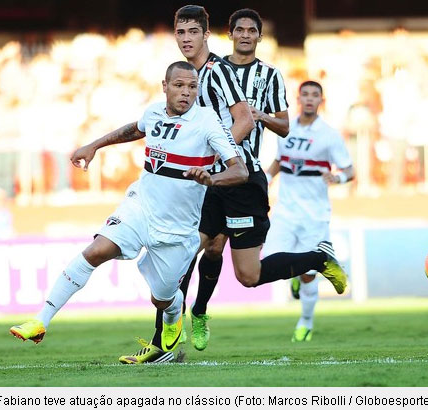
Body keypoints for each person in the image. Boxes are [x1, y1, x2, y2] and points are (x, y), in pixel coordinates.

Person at [133, 5, 347, 361]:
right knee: (186, 253)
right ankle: (167, 340)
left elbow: (252, 120)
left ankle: (316, 258)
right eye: (180, 33)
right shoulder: (191, 75)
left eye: (192, 32)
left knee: (248, 275)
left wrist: (219, 156)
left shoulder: (233, 73)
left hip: (241, 177)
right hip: (208, 181)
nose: (186, 39)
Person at [9, 61, 248, 365]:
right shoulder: (154, 112)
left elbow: (239, 170)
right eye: (179, 86)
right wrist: (93, 145)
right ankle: (41, 321)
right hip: (140, 206)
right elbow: (132, 130)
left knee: (161, 298)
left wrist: (210, 178)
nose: (186, 92)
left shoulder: (208, 122)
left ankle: (175, 313)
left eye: (192, 87)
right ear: (165, 86)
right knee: (97, 250)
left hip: (176, 228)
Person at [177, 7, 291, 350]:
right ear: (229, 35)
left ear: (258, 36)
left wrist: (260, 117)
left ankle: (199, 309)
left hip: (242, 172)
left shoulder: (268, 75)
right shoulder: (197, 72)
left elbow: (284, 127)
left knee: (218, 250)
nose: (244, 35)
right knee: (196, 247)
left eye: (250, 30)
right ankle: (176, 321)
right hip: (204, 175)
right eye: (238, 29)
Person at [263, 81, 354, 342]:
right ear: (299, 98)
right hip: (285, 212)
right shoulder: (286, 129)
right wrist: (266, 179)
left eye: (315, 95)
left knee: (308, 275)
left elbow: (350, 170)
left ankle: (305, 322)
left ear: (321, 100)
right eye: (306, 94)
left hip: (315, 215)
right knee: (267, 263)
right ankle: (292, 273)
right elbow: (280, 161)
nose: (310, 99)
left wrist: (338, 179)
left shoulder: (329, 135)